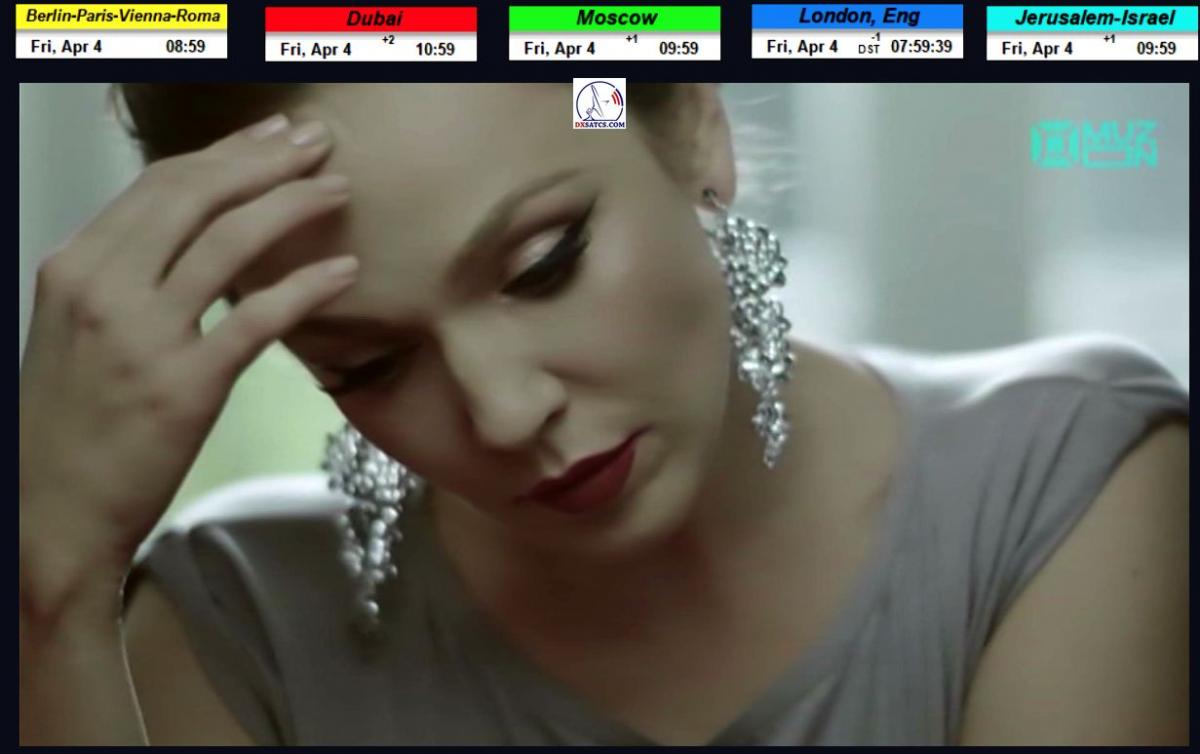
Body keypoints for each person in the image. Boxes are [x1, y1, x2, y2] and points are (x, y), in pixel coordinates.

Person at [18, 83, 1188, 746]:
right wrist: (58, 591)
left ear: (694, 126)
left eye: (545, 264)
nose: (504, 409)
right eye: (369, 364)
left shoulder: (1063, 487)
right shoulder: (235, 629)